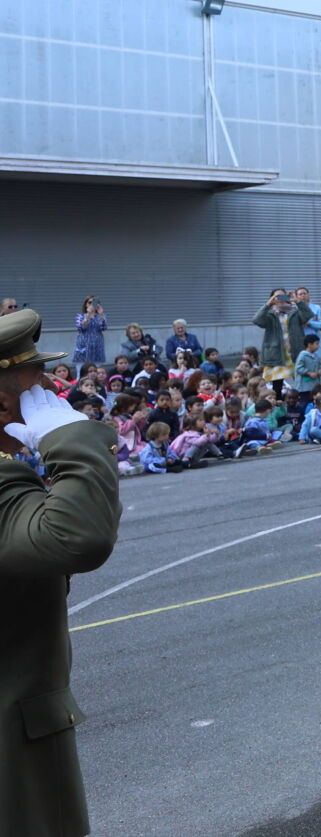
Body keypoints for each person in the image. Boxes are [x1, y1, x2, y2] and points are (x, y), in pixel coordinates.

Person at [0, 308, 121, 837]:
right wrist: (74, 439)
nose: (52, 387)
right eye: (36, 382)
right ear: (5, 401)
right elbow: (80, 534)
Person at [253, 288, 306, 393]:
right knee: (277, 385)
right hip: (276, 352)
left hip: (294, 350)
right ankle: (277, 405)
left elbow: (307, 316)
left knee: (301, 382)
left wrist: (298, 301)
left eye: (283, 295)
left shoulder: (294, 311)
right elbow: (257, 320)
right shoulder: (269, 313)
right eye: (277, 296)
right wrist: (268, 304)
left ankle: (301, 404)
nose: (280, 299)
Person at [70, 296, 107, 369]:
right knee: (81, 370)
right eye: (90, 302)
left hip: (97, 346)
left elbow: (104, 328)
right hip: (84, 345)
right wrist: (88, 316)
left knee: (97, 370)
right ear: (86, 304)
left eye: (94, 303)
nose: (92, 305)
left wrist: (101, 315)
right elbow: (81, 328)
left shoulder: (101, 316)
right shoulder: (80, 316)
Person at [292, 334, 321, 402]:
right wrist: (309, 373)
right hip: (304, 387)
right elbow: (298, 368)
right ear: (309, 344)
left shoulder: (316, 356)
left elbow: (320, 366)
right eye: (316, 344)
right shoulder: (303, 355)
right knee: (304, 402)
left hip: (313, 387)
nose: (318, 346)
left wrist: (320, 370)